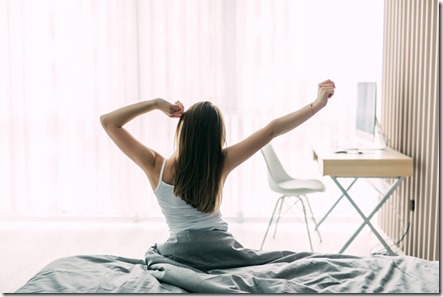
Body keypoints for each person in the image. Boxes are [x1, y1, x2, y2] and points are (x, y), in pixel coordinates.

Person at [100, 79, 335, 238]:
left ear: (183, 129)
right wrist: (316, 105)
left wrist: (155, 104)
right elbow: (272, 129)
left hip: (178, 253)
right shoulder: (221, 162)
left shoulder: (156, 166)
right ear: (217, 135)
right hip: (220, 249)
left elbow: (108, 122)